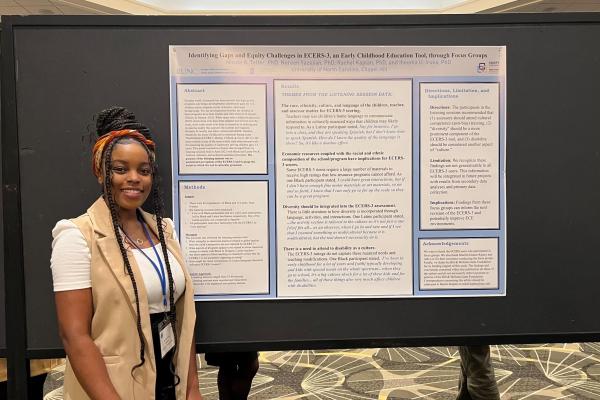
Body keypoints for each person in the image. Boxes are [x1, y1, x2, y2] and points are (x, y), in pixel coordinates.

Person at [50, 106, 201, 400]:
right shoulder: (76, 236)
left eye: (143, 171)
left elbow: (184, 318)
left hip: (170, 377)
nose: (134, 178)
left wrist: (193, 388)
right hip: (113, 387)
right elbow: (75, 337)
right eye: (120, 169)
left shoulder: (165, 230)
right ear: (100, 171)